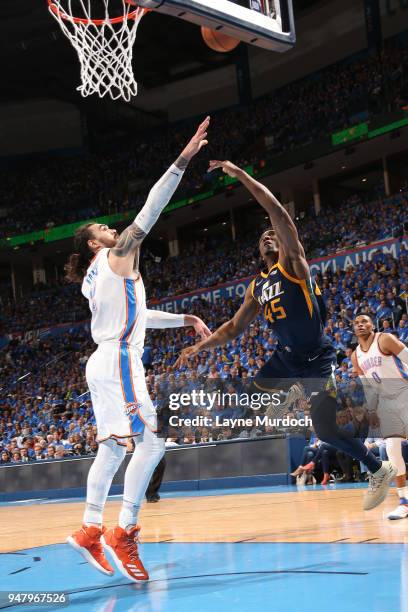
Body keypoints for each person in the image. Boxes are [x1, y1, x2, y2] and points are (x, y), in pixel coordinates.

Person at [176, 160, 396, 511]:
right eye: (262, 236)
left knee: (325, 432)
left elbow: (276, 210)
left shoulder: (293, 264)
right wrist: (199, 346)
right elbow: (233, 328)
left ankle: (377, 468)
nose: (268, 235)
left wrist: (241, 175)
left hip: (316, 358)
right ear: (257, 252)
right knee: (248, 400)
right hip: (286, 357)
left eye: (273, 234)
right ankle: (240, 443)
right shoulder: (256, 287)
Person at [65, 117, 212, 582]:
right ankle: (123, 532)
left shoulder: (97, 279)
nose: (113, 229)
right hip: (120, 362)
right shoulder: (115, 256)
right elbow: (149, 213)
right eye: (104, 228)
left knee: (111, 451)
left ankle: (91, 527)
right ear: (95, 243)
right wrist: (183, 159)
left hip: (104, 360)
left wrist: (183, 319)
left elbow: (138, 317)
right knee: (151, 443)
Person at [352, 314, 408, 520]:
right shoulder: (356, 356)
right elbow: (368, 387)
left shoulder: (384, 339)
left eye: (364, 321)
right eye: (356, 323)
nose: (360, 324)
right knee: (393, 450)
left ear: (372, 325)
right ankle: (404, 502)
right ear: (353, 329)